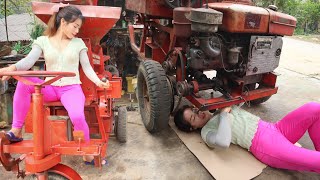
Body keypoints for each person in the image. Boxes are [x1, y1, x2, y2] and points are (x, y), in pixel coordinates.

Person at [0, 6, 108, 164]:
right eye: (75, 26)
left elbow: (87, 67)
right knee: (24, 84)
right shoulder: (43, 41)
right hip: (49, 86)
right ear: (63, 22)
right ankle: (16, 131)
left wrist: (98, 81)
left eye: (79, 27)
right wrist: (12, 69)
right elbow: (29, 61)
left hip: (71, 88)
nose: (77, 31)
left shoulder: (78, 43)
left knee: (77, 116)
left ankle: (87, 153)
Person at [174, 102, 320, 173]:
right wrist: (225, 115)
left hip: (274, 128)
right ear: (192, 128)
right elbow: (223, 143)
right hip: (265, 145)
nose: (199, 113)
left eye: (194, 110)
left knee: (314, 108)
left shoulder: (219, 107)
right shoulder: (207, 132)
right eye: (193, 118)